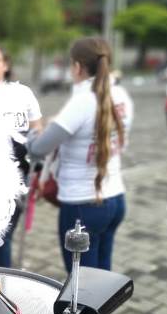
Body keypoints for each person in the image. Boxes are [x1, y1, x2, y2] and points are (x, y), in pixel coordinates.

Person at [27, 36, 133, 273]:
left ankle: (87, 312)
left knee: (81, 285)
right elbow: (120, 143)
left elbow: (39, 147)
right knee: (102, 280)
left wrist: (35, 130)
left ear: (77, 67)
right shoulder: (122, 95)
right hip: (116, 198)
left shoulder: (83, 102)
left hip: (82, 207)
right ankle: (102, 312)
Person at [0, 44, 42, 267]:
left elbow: (38, 129)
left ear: (5, 64)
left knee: (4, 237)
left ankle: (4, 285)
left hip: (18, 179)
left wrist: (38, 169)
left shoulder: (22, 93)